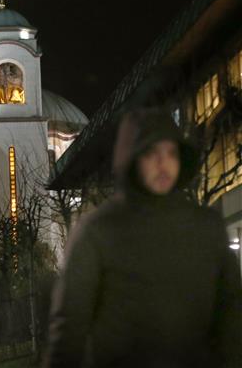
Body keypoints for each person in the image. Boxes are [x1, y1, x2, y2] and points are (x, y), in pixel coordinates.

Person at [45, 108, 242, 368]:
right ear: (133, 160)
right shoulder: (99, 230)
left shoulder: (205, 225)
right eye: (151, 153)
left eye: (171, 153)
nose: (163, 164)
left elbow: (230, 314)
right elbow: (71, 322)